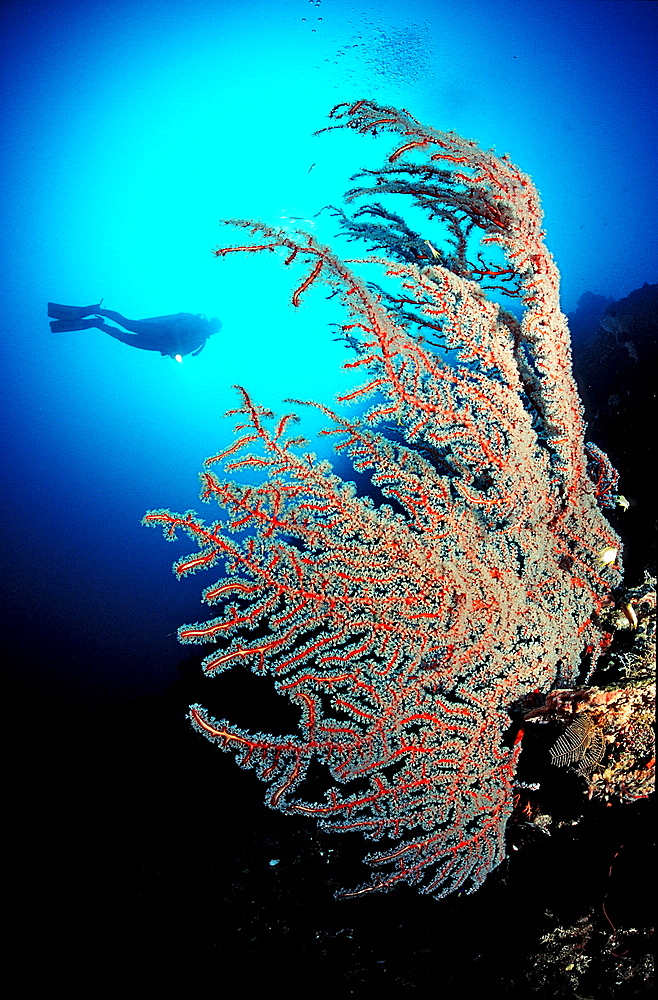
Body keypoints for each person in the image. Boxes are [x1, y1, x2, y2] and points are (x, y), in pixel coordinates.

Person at [48, 302, 221, 361]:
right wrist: (176, 347)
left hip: (158, 344)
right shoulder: (196, 324)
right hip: (160, 332)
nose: (212, 331)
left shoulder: (200, 342)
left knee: (122, 337)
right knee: (127, 324)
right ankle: (98, 310)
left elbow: (182, 352)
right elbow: (177, 329)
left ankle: (97, 324)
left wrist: (174, 354)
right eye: (213, 328)